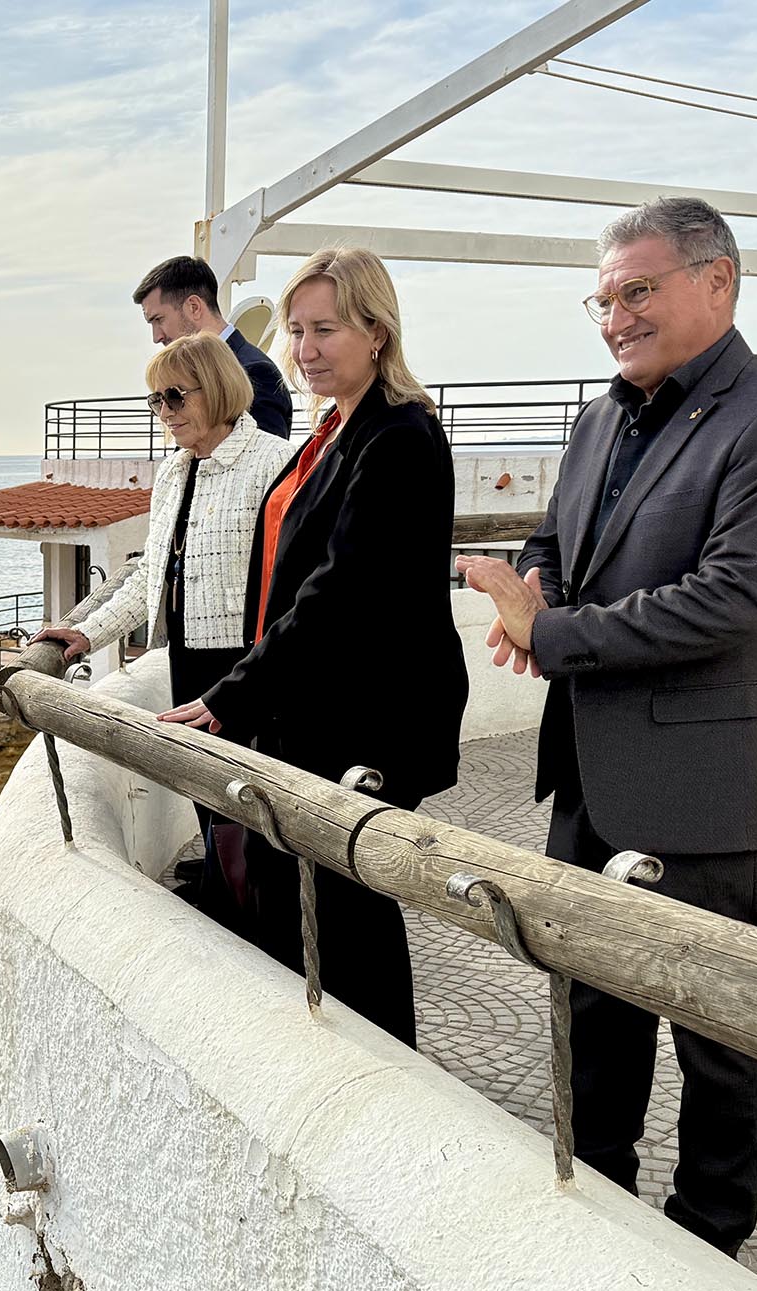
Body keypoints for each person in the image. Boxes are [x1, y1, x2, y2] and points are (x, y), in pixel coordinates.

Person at [456, 197, 757, 1257]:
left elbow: (731, 599)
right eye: (604, 297)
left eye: (639, 290)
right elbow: (554, 535)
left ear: (717, 282)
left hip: (712, 787)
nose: (616, 316)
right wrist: (533, 588)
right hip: (591, 770)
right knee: (590, 1012)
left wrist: (557, 632)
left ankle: (710, 1245)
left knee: (718, 1030)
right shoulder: (600, 416)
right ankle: (601, 1216)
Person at [160, 247, 466, 1048]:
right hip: (318, 709)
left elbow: (340, 594)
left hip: (366, 720)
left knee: (351, 908)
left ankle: (385, 1074)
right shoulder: (333, 428)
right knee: (320, 904)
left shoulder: (399, 436)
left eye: (326, 328)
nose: (305, 349)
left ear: (377, 330)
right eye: (296, 331)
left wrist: (228, 696)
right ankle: (340, 1057)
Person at [32, 332, 296, 895]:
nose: (163, 412)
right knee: (205, 788)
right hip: (189, 657)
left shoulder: (275, 462)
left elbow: (292, 579)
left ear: (219, 387)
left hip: (250, 661)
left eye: (175, 397)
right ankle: (232, 901)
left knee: (251, 798)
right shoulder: (175, 471)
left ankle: (260, 916)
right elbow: (154, 572)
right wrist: (86, 632)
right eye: (154, 400)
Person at [134, 255, 293, 440]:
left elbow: (267, 462)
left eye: (159, 320)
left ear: (194, 307)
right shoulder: (204, 370)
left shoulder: (255, 372)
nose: (156, 337)